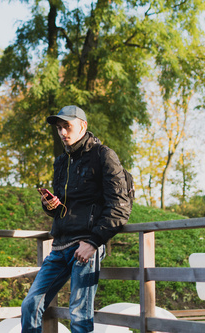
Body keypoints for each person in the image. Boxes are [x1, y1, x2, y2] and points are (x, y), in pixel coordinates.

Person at [21, 105, 132, 333]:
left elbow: (120, 207)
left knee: (79, 318)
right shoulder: (61, 161)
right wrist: (50, 205)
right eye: (59, 128)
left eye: (67, 126)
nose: (62, 132)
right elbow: (61, 207)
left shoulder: (104, 156)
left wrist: (93, 243)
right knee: (30, 304)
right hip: (60, 246)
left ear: (83, 126)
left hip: (85, 246)